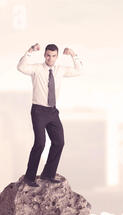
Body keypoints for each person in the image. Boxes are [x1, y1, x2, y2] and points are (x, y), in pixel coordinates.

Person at [17, 43, 83, 187]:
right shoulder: (36, 69)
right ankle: (30, 177)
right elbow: (21, 67)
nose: (50, 58)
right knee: (40, 143)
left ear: (57, 56)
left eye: (53, 56)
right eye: (48, 55)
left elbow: (79, 70)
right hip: (38, 111)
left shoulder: (60, 70)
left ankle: (48, 174)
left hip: (52, 111)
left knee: (59, 142)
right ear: (44, 55)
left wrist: (73, 54)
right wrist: (30, 51)